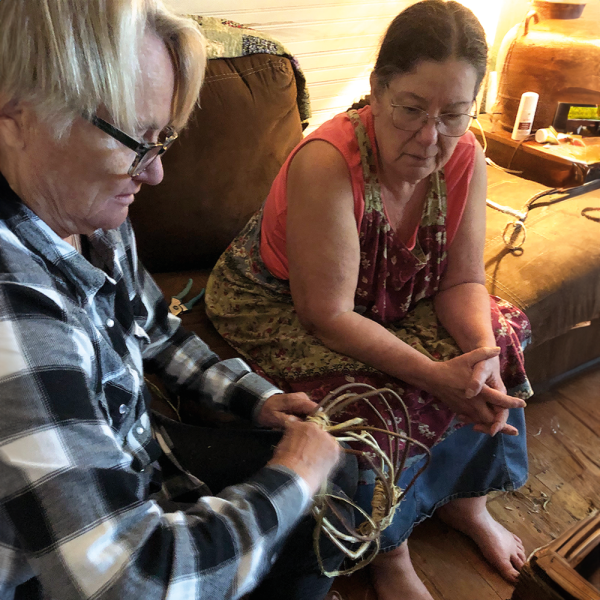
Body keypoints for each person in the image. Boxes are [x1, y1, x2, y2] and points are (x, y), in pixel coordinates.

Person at [0, 2, 352, 599]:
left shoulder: (92, 214)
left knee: (345, 484)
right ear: (17, 117)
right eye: (137, 140)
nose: (156, 173)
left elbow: (153, 328)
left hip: (141, 461)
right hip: (60, 575)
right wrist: (295, 473)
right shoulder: (17, 314)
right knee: (313, 493)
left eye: (162, 139)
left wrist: (255, 400)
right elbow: (132, 580)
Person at [206, 1, 534, 598]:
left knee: (502, 339)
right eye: (412, 109)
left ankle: (469, 503)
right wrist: (435, 375)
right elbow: (326, 315)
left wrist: (479, 354)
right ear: (378, 89)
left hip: (385, 295)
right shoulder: (326, 162)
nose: (429, 136)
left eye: (453, 115)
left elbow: (462, 281)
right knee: (379, 400)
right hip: (283, 301)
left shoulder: (465, 157)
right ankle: (390, 551)